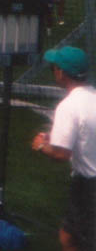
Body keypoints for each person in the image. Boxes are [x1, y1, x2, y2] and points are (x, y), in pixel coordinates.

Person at [31, 46, 96, 251]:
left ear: (62, 72)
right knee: (73, 235)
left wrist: (41, 145)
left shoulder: (68, 106)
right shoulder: (92, 97)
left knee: (71, 239)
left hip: (89, 184)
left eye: (54, 68)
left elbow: (61, 154)